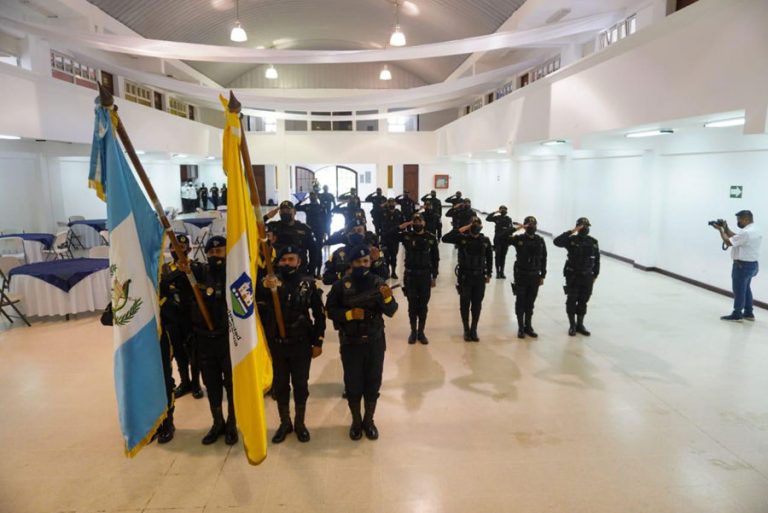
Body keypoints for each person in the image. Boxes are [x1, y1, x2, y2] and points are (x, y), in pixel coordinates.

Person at [326, 245, 398, 440]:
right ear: (351, 264)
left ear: (370, 262)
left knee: (373, 383)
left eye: (365, 261)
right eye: (357, 262)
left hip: (375, 342)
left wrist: (388, 297)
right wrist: (349, 315)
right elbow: (329, 310)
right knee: (353, 384)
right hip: (351, 343)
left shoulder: (378, 283)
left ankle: (369, 420)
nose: (362, 265)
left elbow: (391, 310)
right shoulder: (341, 285)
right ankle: (356, 421)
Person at [259, 246, 326, 443]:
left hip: (301, 344)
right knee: (280, 386)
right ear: (278, 262)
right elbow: (256, 307)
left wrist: (318, 342)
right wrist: (264, 287)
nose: (287, 263)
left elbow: (319, 315)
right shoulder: (267, 283)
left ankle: (299, 423)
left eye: (291, 259)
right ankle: (284, 422)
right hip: (277, 346)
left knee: (300, 385)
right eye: (283, 260)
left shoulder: (309, 284)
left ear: (299, 261)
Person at [188, 236, 237, 445]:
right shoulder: (199, 273)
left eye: (220, 252)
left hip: (228, 340)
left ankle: (232, 423)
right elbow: (186, 270)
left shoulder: (234, 273)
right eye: (212, 253)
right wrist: (184, 267)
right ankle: (218, 422)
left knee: (231, 384)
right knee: (212, 384)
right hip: (205, 340)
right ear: (206, 254)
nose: (216, 256)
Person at [160, 234, 204, 401]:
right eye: (173, 247)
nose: (177, 250)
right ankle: (184, 382)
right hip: (172, 317)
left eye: (182, 247)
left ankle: (195, 383)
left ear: (189, 249)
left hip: (191, 315)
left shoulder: (196, 267)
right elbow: (163, 285)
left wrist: (187, 270)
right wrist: (180, 270)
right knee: (179, 351)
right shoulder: (165, 269)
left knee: (194, 350)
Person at [442, 217, 493, 341]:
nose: (476, 226)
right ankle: (466, 329)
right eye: (473, 224)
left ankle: (474, 329)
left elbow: (490, 257)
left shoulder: (484, 240)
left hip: (480, 277)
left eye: (478, 224)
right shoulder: (462, 238)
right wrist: (464, 228)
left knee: (477, 304)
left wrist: (489, 274)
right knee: (464, 303)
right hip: (465, 276)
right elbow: (445, 238)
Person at [553, 218, 600, 336]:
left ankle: (580, 324)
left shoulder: (593, 241)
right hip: (573, 275)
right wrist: (572, 231)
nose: (585, 228)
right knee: (571, 300)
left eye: (587, 226)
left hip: (587, 276)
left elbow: (597, 259)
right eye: (582, 226)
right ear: (578, 227)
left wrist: (595, 274)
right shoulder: (571, 240)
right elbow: (557, 242)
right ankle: (572, 325)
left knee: (584, 300)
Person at [398, 213, 439, 344]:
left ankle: (421, 332)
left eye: (420, 221)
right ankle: (413, 331)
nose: (417, 224)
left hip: (425, 276)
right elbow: (389, 234)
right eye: (415, 222)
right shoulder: (407, 236)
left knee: (423, 305)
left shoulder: (431, 238)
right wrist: (406, 224)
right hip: (410, 276)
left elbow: (435, 258)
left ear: (424, 223)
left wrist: (435, 276)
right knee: (412, 305)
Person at [713, 210, 762, 321]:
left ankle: (737, 314)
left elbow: (729, 242)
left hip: (742, 266)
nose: (738, 222)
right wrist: (726, 228)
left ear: (745, 219)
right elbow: (737, 237)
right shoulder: (755, 229)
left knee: (739, 290)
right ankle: (749, 313)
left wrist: (720, 230)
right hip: (752, 265)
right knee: (746, 289)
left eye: (739, 220)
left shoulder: (746, 232)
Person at [503, 216, 547, 339]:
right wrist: (517, 228)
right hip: (521, 275)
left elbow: (543, 258)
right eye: (529, 225)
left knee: (530, 303)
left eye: (534, 225)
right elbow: (502, 238)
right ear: (525, 226)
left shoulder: (540, 240)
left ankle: (529, 326)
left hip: (534, 276)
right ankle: (521, 327)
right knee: (520, 302)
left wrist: (543, 275)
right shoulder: (519, 239)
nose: (532, 227)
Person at [323, 219, 389, 285]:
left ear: (364, 233)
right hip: (346, 291)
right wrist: (343, 274)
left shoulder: (373, 252)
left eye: (359, 230)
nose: (356, 233)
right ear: (347, 234)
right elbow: (326, 279)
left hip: (368, 291)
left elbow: (385, 275)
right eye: (353, 231)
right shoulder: (338, 254)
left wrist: (375, 261)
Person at [264, 200, 320, 276]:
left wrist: (311, 272)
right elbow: (255, 228)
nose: (285, 213)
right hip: (279, 271)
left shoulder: (304, 228)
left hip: (300, 270)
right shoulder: (274, 227)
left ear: (294, 212)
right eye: (282, 211)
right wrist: (266, 217)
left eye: (288, 210)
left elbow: (313, 251)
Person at [486, 206, 514, 279]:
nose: (503, 210)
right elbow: (488, 218)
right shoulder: (497, 218)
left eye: (505, 209)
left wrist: (510, 240)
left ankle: (502, 272)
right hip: (498, 239)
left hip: (505, 240)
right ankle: (498, 272)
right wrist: (496, 212)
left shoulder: (509, 219)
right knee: (497, 256)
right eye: (502, 209)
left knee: (503, 256)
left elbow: (511, 230)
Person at [380, 198, 404, 279]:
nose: (391, 204)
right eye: (390, 203)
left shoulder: (398, 213)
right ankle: (387, 272)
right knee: (386, 257)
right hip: (385, 238)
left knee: (394, 257)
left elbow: (402, 224)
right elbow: (377, 213)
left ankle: (393, 272)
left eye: (393, 202)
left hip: (395, 239)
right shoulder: (383, 213)